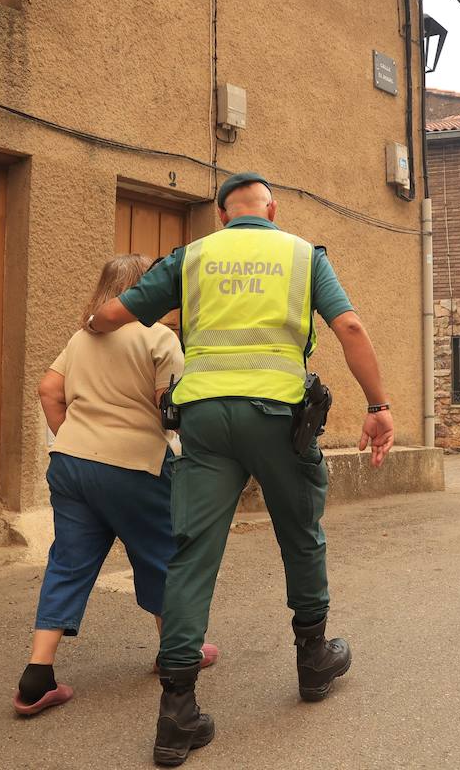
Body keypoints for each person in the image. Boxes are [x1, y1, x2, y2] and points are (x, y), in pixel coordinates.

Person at [88, 173, 395, 767]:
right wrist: (378, 406)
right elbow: (349, 327)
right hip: (280, 418)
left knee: (192, 551)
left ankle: (177, 713)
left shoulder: (193, 256)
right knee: (300, 535)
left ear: (224, 218)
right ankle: (313, 661)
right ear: (271, 210)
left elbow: (115, 313)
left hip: (203, 421)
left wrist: (95, 326)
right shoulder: (303, 254)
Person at [13, 255, 218, 717]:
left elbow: (48, 389)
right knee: (162, 554)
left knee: (68, 561)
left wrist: (71, 436)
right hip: (134, 465)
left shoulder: (83, 336)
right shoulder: (159, 337)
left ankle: (37, 675)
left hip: (71, 462)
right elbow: (174, 407)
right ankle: (176, 652)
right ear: (148, 290)